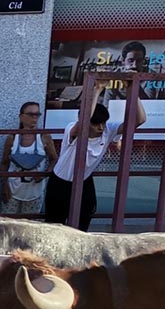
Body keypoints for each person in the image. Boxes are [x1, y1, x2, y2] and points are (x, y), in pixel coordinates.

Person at [44, 79, 147, 231]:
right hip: (61, 183)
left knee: (82, 226)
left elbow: (140, 120)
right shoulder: (73, 129)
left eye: (103, 123)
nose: (100, 127)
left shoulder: (108, 130)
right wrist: (97, 89)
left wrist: (133, 89)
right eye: (96, 123)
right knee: (54, 227)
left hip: (84, 181)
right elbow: (84, 122)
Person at [0, 102, 57, 215]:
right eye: (31, 114)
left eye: (37, 114)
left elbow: (54, 159)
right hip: (13, 190)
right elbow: (4, 163)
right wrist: (4, 186)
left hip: (35, 192)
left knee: (29, 226)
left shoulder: (44, 137)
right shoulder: (13, 138)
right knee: (9, 226)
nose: (34, 118)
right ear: (21, 116)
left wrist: (45, 174)